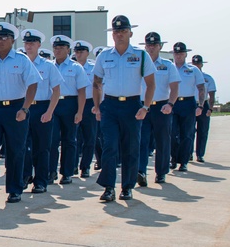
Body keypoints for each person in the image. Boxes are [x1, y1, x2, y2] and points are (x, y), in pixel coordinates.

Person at [92, 15, 156, 202]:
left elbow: (151, 83)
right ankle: (109, 187)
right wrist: (97, 107)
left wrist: (145, 106)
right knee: (109, 147)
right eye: (116, 31)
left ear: (130, 33)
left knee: (130, 147)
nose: (119, 34)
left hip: (132, 105)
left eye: (123, 31)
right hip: (110, 106)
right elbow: (96, 83)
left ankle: (127, 187)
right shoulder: (104, 56)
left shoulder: (141, 55)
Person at [0, 22, 40, 205]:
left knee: (15, 150)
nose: (0, 41)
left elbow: (33, 83)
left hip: (16, 108)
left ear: (12, 40)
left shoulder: (21, 60)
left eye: (4, 38)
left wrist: (25, 108)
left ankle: (14, 189)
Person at [19, 29, 62, 194]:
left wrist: (50, 111)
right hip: (23, 107)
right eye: (26, 43)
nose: (28, 46)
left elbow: (56, 90)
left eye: (32, 43)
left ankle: (41, 181)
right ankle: (23, 177)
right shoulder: (20, 62)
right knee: (22, 146)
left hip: (42, 107)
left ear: (38, 45)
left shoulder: (48, 66)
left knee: (42, 147)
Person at [137, 32, 180, 186]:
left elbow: (174, 88)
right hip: (143, 106)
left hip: (162, 107)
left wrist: (170, 104)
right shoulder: (139, 63)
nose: (151, 47)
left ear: (160, 46)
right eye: (149, 45)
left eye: (155, 45)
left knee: (162, 141)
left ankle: (161, 172)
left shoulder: (168, 65)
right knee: (141, 140)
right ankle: (141, 171)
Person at [47, 35, 88, 185]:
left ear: (68, 49)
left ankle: (67, 172)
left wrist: (80, 111)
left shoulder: (76, 67)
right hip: (53, 104)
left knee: (69, 140)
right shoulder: (49, 66)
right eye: (55, 48)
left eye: (61, 48)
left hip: (70, 104)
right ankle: (51, 171)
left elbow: (82, 91)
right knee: (51, 140)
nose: (57, 50)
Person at [169, 42, 205, 173]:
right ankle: (173, 158)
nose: (178, 55)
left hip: (188, 103)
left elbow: (201, 88)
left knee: (187, 134)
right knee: (172, 134)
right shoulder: (168, 68)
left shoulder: (193, 70)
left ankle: (183, 162)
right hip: (172, 103)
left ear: (185, 54)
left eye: (181, 53)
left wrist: (200, 105)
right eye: (176, 53)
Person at [72, 40, 97, 179]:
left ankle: (85, 166)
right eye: (76, 51)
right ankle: (73, 165)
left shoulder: (93, 69)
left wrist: (98, 105)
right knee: (73, 137)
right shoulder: (72, 67)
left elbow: (99, 87)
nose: (79, 54)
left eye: (81, 51)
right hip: (74, 103)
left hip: (89, 104)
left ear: (87, 53)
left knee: (90, 136)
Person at [192, 54, 216, 163]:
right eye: (194, 63)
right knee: (189, 131)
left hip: (204, 104)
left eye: (198, 63)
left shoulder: (208, 78)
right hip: (191, 103)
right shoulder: (188, 75)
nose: (196, 65)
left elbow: (211, 95)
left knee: (203, 131)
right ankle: (188, 153)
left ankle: (200, 154)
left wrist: (210, 109)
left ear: (202, 64)